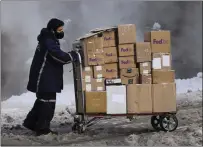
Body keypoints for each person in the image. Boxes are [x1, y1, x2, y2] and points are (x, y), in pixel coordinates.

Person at [23, 18, 77, 136]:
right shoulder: (48, 40)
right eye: (59, 29)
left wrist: (69, 55)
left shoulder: (48, 38)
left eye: (62, 29)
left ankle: (31, 122)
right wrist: (72, 56)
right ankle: (42, 129)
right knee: (48, 102)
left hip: (45, 76)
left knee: (42, 100)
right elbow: (57, 56)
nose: (61, 31)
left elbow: (56, 53)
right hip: (44, 77)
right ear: (53, 29)